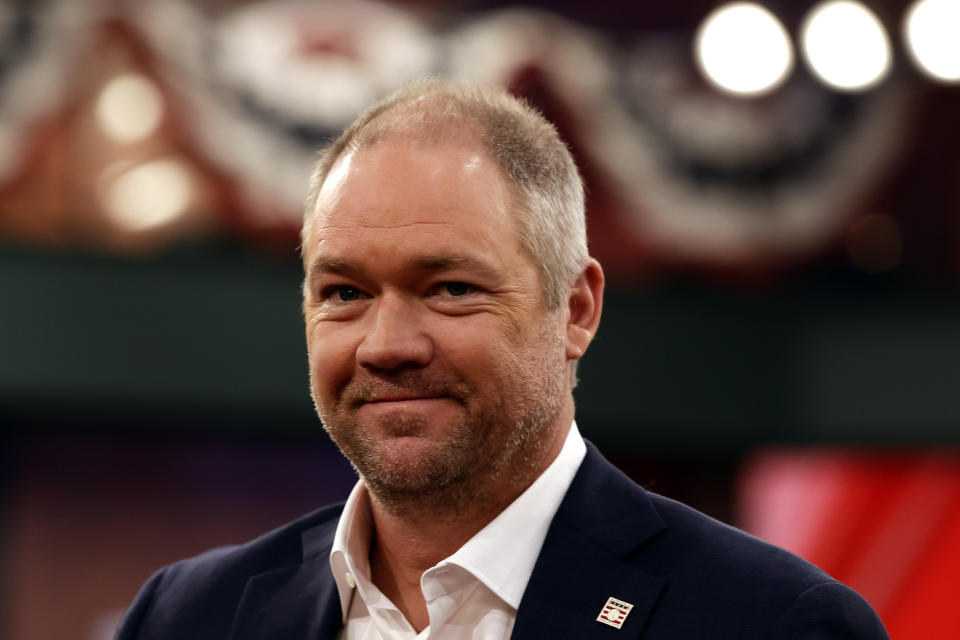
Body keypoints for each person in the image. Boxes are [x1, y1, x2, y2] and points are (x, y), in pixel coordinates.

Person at [116, 78, 888, 639]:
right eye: (345, 292)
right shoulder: (188, 617)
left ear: (576, 309)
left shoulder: (772, 624)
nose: (386, 346)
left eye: (450, 288)